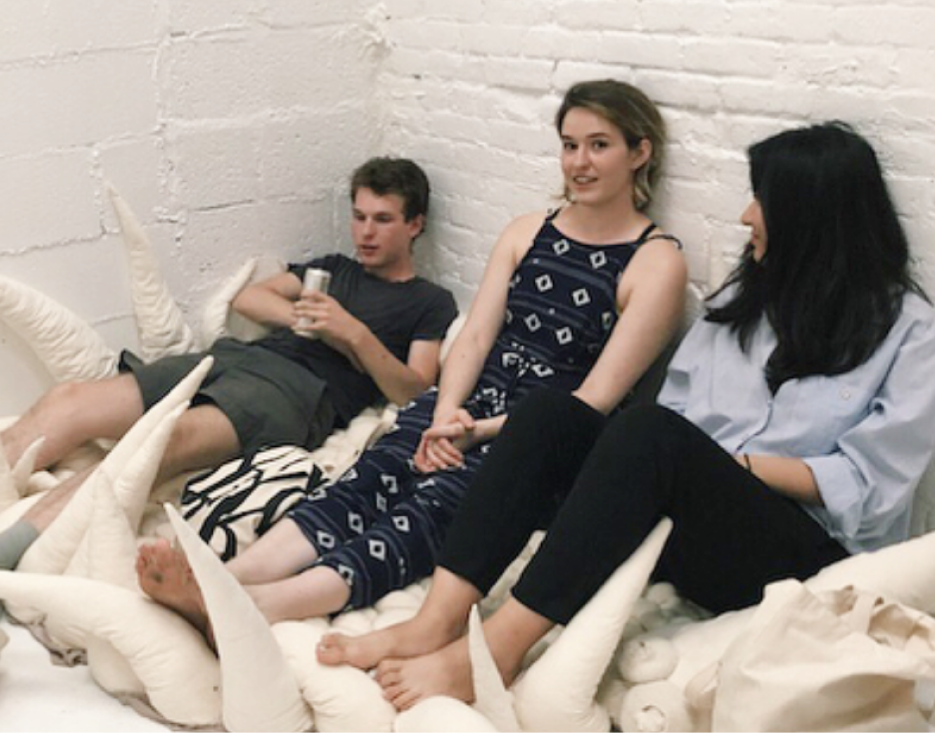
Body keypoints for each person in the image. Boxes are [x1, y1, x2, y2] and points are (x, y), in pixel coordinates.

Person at [320, 121, 935, 712]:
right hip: (689, 520)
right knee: (551, 413)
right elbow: (675, 417)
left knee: (650, 433)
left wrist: (731, 465)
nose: (747, 215)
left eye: (761, 200)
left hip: (802, 555)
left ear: (811, 218)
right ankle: (436, 621)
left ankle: (499, 652)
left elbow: (870, 487)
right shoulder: (742, 304)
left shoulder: (910, 332)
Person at [136, 79, 688, 635]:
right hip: (466, 402)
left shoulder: (655, 262)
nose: (579, 162)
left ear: (639, 152)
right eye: (570, 145)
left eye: (599, 145)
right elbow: (473, 339)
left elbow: (593, 400)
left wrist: (478, 432)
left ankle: (257, 609)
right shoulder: (528, 231)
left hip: (543, 435)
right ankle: (225, 578)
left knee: (438, 503)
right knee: (371, 474)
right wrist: (447, 411)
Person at [0, 157, 458, 570]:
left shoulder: (428, 301)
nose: (366, 233)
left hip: (297, 394)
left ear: (415, 225)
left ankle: (13, 550)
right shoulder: (335, 268)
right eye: (359, 217)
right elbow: (251, 298)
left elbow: (414, 390)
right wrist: (310, 321)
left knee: (160, 442)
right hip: (238, 358)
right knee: (70, 398)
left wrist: (352, 333)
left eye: (383, 220)